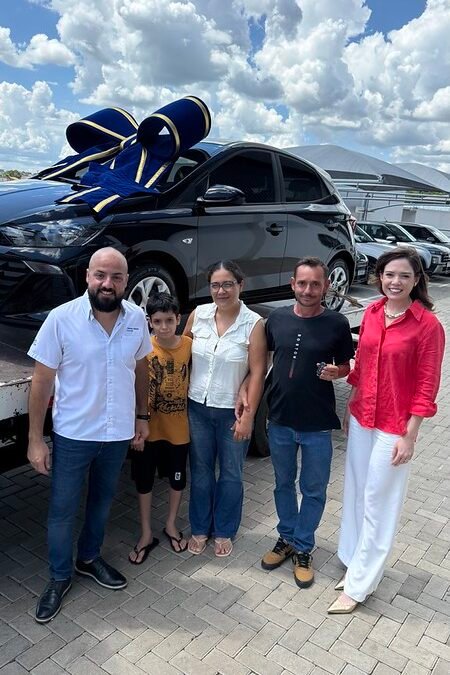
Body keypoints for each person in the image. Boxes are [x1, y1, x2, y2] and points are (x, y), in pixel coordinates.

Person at [27, 247, 151, 623]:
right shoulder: (61, 319)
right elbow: (41, 381)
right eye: (100, 275)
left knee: (101, 502)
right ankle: (59, 576)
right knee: (62, 510)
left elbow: (141, 369)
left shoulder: (137, 318)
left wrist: (142, 416)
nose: (107, 283)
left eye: (116, 277)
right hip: (74, 435)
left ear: (126, 281)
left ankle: (89, 558)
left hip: (117, 434)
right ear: (87, 277)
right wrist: (35, 439)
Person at [328, 247, 445, 614]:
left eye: (404, 276)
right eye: (389, 274)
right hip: (363, 414)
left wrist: (411, 435)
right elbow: (362, 365)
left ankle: (360, 585)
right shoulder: (373, 312)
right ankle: (354, 562)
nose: (395, 281)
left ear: (416, 280)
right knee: (356, 492)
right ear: (379, 277)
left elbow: (427, 384)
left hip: (395, 425)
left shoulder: (427, 325)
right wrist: (351, 403)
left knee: (379, 502)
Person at [260, 256, 354, 588]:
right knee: (283, 484)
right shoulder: (277, 319)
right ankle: (286, 538)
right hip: (280, 421)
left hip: (317, 425)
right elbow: (263, 359)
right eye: (302, 283)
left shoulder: (337, 323)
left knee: (313, 490)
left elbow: (347, 366)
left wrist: (337, 372)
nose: (308, 290)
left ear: (326, 286)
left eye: (315, 284)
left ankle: (303, 547)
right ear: (293, 284)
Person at [183, 260, 267, 557]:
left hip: (232, 413)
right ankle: (199, 527)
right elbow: (180, 353)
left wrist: (249, 416)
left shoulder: (253, 324)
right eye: (215, 285)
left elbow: (258, 371)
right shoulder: (199, 315)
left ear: (240, 285)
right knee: (201, 471)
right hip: (197, 408)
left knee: (231, 473)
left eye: (228, 284)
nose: (221, 291)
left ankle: (224, 530)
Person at [128, 293, 192, 563]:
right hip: (148, 430)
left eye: (169, 320)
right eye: (157, 321)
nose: (164, 327)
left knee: (177, 480)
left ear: (178, 319)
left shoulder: (189, 346)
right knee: (144, 481)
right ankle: (146, 532)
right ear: (149, 322)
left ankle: (170, 524)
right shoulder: (143, 348)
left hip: (178, 431)